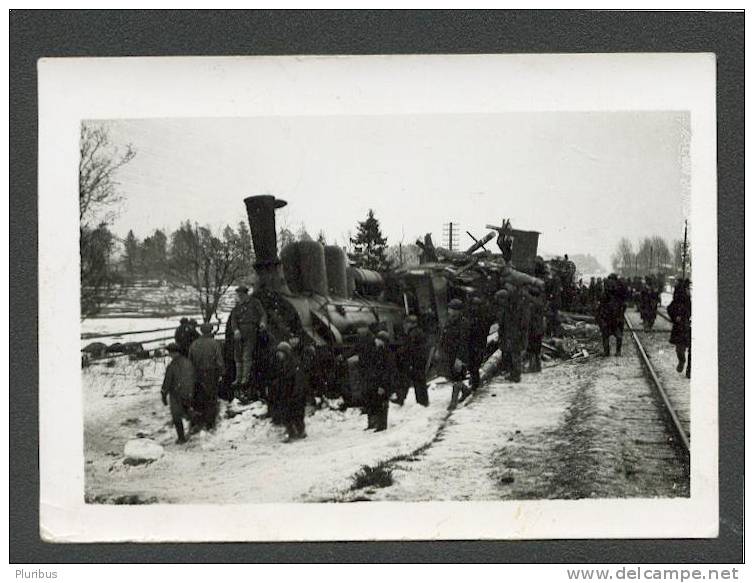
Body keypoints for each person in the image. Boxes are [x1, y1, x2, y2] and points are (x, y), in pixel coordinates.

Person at [228, 285, 267, 392]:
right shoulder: (237, 306)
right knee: (237, 355)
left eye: (241, 294)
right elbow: (233, 319)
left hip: (251, 330)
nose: (240, 296)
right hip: (239, 332)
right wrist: (235, 330)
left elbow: (263, 314)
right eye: (238, 295)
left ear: (246, 294)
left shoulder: (255, 303)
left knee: (246, 355)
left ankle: (245, 377)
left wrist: (262, 323)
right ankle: (238, 378)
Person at [188, 322, 224, 431]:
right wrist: (222, 372)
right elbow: (219, 360)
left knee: (198, 397)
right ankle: (210, 423)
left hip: (197, 373)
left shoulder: (194, 344)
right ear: (210, 331)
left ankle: (197, 422)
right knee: (211, 397)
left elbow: (190, 361)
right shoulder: (214, 344)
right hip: (211, 373)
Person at [161, 342, 196, 444]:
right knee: (187, 410)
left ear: (173, 353)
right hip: (189, 392)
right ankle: (195, 426)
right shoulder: (188, 362)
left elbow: (167, 382)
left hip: (176, 394)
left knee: (176, 416)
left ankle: (181, 438)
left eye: (170, 352)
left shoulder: (172, 366)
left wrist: (163, 394)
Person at [273, 340, 307, 441]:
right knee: (288, 414)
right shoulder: (282, 364)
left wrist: (296, 393)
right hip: (287, 394)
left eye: (281, 352)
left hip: (294, 394)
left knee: (296, 414)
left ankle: (299, 431)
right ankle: (292, 432)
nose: (278, 355)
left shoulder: (293, 364)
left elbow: (298, 380)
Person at [440, 298, 470, 410]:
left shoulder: (463, 323)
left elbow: (463, 342)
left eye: (452, 309)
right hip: (449, 354)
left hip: (458, 354)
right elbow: (444, 336)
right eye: (449, 309)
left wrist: (460, 358)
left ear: (458, 311)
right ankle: (465, 390)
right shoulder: (449, 321)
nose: (449, 311)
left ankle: (453, 402)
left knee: (457, 377)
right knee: (452, 377)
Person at [396, 315, 429, 406]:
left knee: (417, 381)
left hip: (415, 361)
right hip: (418, 360)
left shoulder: (413, 334)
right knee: (418, 381)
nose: (405, 325)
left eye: (406, 323)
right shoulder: (417, 332)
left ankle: (421, 402)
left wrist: (401, 352)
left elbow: (410, 348)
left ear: (411, 324)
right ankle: (422, 401)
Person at [500, 283, 529, 383]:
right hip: (511, 332)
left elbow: (522, 323)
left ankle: (516, 375)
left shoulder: (516, 306)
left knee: (515, 355)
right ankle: (513, 374)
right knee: (512, 354)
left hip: (514, 333)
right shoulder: (510, 306)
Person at [596, 274, 628, 357]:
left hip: (607, 315)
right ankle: (618, 352)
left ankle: (607, 352)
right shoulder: (620, 287)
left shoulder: (606, 287)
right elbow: (624, 302)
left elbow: (602, 301)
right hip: (617, 315)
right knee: (619, 334)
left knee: (605, 334)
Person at [372, 330, 397, 431]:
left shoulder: (385, 353)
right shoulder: (382, 351)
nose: (375, 341)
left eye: (377, 339)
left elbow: (386, 370)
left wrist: (382, 385)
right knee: (380, 402)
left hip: (384, 382)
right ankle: (381, 424)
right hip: (381, 381)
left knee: (382, 402)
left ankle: (382, 425)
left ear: (382, 341)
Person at [667, 279, 691, 378]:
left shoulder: (690, 300)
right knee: (679, 349)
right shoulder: (678, 301)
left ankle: (689, 370)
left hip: (688, 326)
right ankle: (682, 361)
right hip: (681, 326)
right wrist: (675, 316)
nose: (689, 291)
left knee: (690, 350)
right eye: (687, 289)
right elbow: (670, 309)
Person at [467, 296, 491, 391]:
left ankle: (475, 384)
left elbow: (482, 331)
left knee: (475, 365)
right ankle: (474, 381)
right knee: (472, 365)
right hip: (473, 343)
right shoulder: (473, 316)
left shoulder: (482, 318)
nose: (474, 308)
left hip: (478, 343)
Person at [526, 285, 545, 373]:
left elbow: (529, 318)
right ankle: (538, 366)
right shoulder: (540, 303)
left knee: (531, 349)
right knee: (537, 348)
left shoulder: (530, 305)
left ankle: (532, 366)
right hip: (539, 329)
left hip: (532, 329)